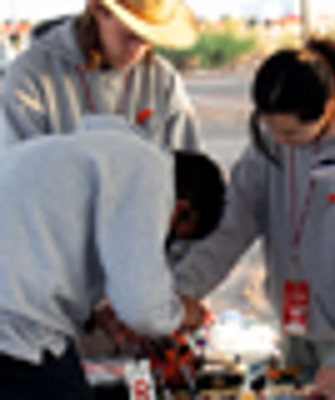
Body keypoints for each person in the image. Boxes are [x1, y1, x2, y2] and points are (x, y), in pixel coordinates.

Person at [174, 37, 335, 400]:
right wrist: (181, 291)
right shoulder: (270, 144)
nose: (279, 140)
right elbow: (232, 226)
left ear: (327, 109)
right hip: (296, 327)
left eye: (291, 133)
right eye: (269, 128)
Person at [0, 115, 225, 400]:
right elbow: (143, 310)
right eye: (173, 235)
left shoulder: (95, 153)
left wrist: (96, 317)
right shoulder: (148, 168)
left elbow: (43, 249)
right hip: (15, 331)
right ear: (181, 208)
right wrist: (183, 313)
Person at [0, 0, 201, 151]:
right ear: (98, 8)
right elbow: (21, 181)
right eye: (130, 36)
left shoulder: (164, 81)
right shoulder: (31, 75)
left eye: (148, 40)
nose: (137, 52)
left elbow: (189, 175)